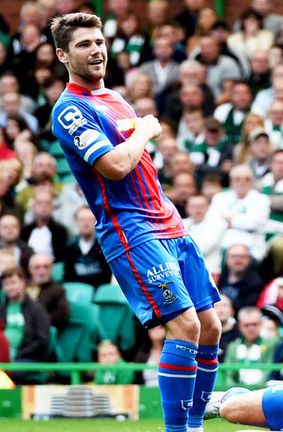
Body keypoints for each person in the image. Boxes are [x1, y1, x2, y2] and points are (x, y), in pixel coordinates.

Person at [50, 13, 221, 432]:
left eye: (99, 41)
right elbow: (114, 165)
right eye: (84, 44)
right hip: (131, 228)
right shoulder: (70, 109)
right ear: (62, 55)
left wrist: (140, 132)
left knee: (212, 326)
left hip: (168, 219)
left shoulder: (115, 97)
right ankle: (177, 430)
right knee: (184, 325)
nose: (96, 50)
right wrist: (144, 129)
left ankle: (196, 424)